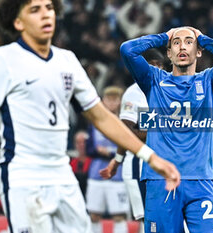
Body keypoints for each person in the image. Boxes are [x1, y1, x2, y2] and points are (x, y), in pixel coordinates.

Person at [0, 1, 180, 233]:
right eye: (35, 10)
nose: (45, 15)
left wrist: (151, 157)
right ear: (18, 22)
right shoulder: (3, 60)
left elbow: (101, 116)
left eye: (49, 8)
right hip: (23, 175)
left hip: (62, 174)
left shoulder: (67, 60)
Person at [119, 26, 213, 232]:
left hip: (201, 180)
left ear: (199, 51)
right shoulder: (154, 80)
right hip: (161, 181)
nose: (182, 46)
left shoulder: (210, 81)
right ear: (169, 53)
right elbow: (127, 49)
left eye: (189, 42)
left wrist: (203, 38)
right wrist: (163, 37)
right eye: (176, 43)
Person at [100, 49, 164, 233]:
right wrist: (159, 130)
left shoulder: (165, 91)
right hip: (139, 164)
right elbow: (126, 132)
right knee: (149, 218)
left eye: (160, 65)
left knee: (163, 217)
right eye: (152, 64)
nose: (157, 69)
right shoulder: (134, 93)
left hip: (161, 162)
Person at [86, 86, 130, 233]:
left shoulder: (125, 122)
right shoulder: (95, 122)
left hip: (117, 177)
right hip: (96, 174)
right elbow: (89, 149)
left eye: (114, 99)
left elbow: (129, 147)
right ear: (103, 101)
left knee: (119, 215)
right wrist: (103, 152)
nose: (111, 103)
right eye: (108, 99)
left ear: (120, 101)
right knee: (94, 215)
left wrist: (109, 153)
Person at [70, 131, 92, 198]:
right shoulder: (72, 163)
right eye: (78, 142)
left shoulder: (94, 163)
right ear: (75, 144)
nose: (81, 145)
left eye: (84, 142)